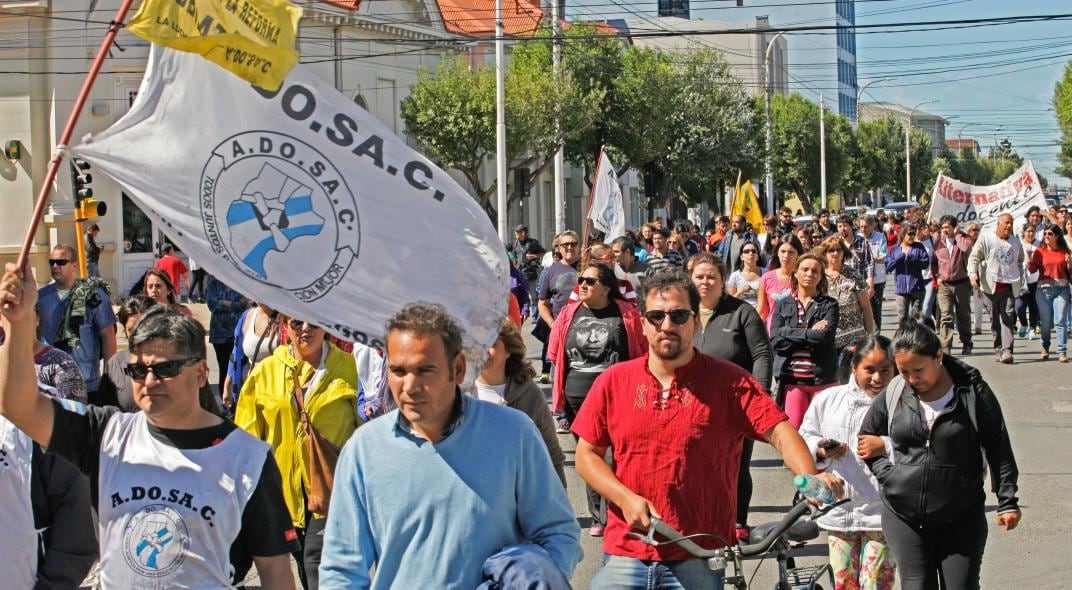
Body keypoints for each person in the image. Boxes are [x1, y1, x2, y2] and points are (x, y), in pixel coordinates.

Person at [0, 270, 300, 589]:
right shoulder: (106, 434)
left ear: (201, 372)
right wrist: (18, 323)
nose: (150, 381)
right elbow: (17, 405)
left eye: (166, 368)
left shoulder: (247, 458)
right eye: (139, 369)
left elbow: (275, 569)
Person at [573, 270, 842, 589]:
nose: (667, 325)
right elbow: (586, 455)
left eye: (679, 315)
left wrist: (810, 478)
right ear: (642, 323)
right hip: (627, 549)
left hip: (698, 554)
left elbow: (779, 432)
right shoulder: (613, 381)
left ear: (695, 322)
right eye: (656, 316)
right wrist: (625, 498)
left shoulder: (729, 380)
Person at [319, 303, 582, 588]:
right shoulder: (363, 450)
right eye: (398, 371)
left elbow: (558, 533)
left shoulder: (514, 433)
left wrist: (535, 580)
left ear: (457, 368)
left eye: (424, 370)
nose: (409, 385)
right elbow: (341, 569)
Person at [859, 321, 1021, 590]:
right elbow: (866, 439)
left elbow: (998, 446)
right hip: (903, 514)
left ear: (939, 356)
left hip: (960, 514)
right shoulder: (897, 391)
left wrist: (1007, 500)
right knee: (917, 585)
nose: (911, 379)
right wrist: (891, 476)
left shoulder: (971, 391)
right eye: (903, 371)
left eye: (919, 370)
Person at [237, 316, 362, 589]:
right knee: (304, 566)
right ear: (285, 326)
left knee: (316, 564)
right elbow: (245, 437)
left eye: (314, 323)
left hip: (332, 491)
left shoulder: (349, 367)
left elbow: (365, 430)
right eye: (297, 323)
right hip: (282, 494)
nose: (306, 329)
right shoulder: (265, 372)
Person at [549, 261, 645, 536]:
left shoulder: (627, 314)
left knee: (620, 455)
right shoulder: (569, 313)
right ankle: (598, 517)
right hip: (578, 396)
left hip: (618, 395)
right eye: (581, 280)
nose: (583, 285)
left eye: (590, 281)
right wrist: (560, 401)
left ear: (605, 287)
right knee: (590, 456)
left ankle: (620, 509)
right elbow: (555, 355)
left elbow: (640, 351)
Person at [800, 334, 897, 590]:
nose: (877, 378)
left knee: (875, 583)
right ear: (854, 367)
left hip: (882, 514)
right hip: (838, 512)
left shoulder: (902, 405)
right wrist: (819, 450)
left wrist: (885, 445)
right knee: (843, 583)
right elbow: (804, 436)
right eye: (870, 370)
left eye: (886, 370)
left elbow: (919, 448)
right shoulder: (828, 400)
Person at [689, 254, 773, 542]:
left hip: (736, 404)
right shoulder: (682, 312)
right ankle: (701, 517)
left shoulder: (741, 312)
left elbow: (762, 353)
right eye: (699, 276)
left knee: (736, 464)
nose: (705, 282)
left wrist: (759, 396)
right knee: (696, 463)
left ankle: (738, 520)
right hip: (692, 402)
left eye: (712, 276)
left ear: (723, 280)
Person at [475, 318, 567, 486]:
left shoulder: (529, 395)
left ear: (508, 351)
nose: (483, 351)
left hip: (517, 495)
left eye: (492, 344)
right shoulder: (456, 393)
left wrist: (560, 501)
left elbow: (551, 453)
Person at [37, 244, 117, 404]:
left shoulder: (93, 295)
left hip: (88, 384)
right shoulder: (41, 297)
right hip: (50, 386)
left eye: (61, 262)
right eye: (52, 262)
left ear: (74, 265)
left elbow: (108, 335)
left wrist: (109, 376)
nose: (55, 266)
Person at [770, 253, 840, 428]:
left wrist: (788, 332)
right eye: (805, 269)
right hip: (793, 380)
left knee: (823, 433)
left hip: (823, 379)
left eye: (815, 271)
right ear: (795, 273)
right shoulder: (783, 304)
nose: (810, 274)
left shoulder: (829, 304)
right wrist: (808, 333)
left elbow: (824, 337)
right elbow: (776, 341)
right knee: (794, 432)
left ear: (821, 276)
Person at [968, 213, 1024, 364]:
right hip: (989, 287)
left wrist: (1021, 278)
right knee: (994, 321)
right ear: (998, 224)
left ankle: (1007, 350)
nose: (1008, 226)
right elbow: (974, 258)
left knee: (1008, 318)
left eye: (1011, 223)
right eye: (1006, 223)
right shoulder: (986, 238)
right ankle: (998, 348)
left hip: (1008, 287)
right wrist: (973, 274)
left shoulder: (1015, 242)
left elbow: (1020, 260)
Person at [818, 236, 875, 365]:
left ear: (844, 252)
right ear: (824, 253)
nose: (835, 253)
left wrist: (870, 336)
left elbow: (866, 306)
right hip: (829, 340)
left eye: (839, 250)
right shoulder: (819, 277)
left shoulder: (853, 275)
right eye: (831, 250)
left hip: (853, 339)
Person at [224, 302, 283, 410]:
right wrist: (227, 384)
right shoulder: (247, 316)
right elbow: (236, 353)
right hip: (250, 391)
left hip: (279, 393)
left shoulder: (287, 318)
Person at [932, 215, 976, 355]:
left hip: (961, 283)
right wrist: (937, 276)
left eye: (948, 227)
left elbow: (966, 248)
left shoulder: (964, 238)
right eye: (943, 227)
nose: (945, 230)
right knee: (946, 315)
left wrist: (957, 234)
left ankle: (967, 342)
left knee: (963, 315)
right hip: (944, 284)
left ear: (954, 227)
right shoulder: (938, 243)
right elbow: (933, 262)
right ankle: (946, 344)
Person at [1027, 225, 1072, 362]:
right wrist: (1030, 259)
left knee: (1060, 321)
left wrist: (1069, 264)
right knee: (1046, 323)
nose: (1046, 236)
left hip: (1062, 289)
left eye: (1050, 234)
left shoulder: (1065, 252)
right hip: (1043, 290)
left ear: (1057, 236)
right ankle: (1045, 346)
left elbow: (1070, 273)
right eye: (1045, 233)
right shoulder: (1040, 251)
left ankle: (1062, 351)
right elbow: (1033, 270)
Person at [33, 303, 88, 402]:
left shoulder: (61, 363)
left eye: (24, 313)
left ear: (37, 319)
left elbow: (76, 414)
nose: (16, 318)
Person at [205, 275, 247, 396]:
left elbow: (244, 304)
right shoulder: (213, 280)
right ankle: (226, 405)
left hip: (239, 332)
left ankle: (238, 403)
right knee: (224, 369)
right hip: (220, 334)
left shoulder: (238, 278)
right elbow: (212, 305)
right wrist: (234, 304)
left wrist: (223, 302)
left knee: (240, 368)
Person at [757, 235, 805, 331]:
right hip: (774, 335)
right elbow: (762, 312)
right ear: (777, 253)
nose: (786, 256)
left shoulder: (804, 278)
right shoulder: (766, 278)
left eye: (791, 252)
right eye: (783, 251)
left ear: (798, 255)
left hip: (799, 333)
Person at [886, 225, 930, 322]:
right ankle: (904, 337)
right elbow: (888, 266)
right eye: (910, 234)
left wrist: (913, 258)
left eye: (914, 234)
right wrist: (899, 258)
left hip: (917, 288)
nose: (912, 236)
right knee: (902, 318)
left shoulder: (919, 247)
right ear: (903, 235)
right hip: (901, 289)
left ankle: (915, 337)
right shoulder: (895, 249)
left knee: (915, 317)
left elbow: (925, 264)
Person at [860, 216, 889, 333]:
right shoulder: (857, 238)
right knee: (862, 309)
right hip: (861, 280)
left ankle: (877, 338)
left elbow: (883, 257)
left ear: (872, 226)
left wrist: (869, 258)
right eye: (861, 226)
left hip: (878, 280)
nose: (863, 229)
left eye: (866, 226)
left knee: (875, 310)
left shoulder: (880, 237)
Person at [838, 215, 874, 299]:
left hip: (859, 285)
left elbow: (869, 264)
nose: (842, 229)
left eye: (845, 225)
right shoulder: (836, 243)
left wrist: (871, 285)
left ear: (851, 226)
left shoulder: (862, 242)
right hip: (841, 287)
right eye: (840, 226)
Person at [1015, 224, 1040, 343]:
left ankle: (1032, 329)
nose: (1031, 234)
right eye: (1028, 231)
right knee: (1019, 306)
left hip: (1035, 280)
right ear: (1023, 232)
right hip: (1021, 281)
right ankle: (1024, 324)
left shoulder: (1039, 244)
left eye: (1033, 231)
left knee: (1033, 306)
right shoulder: (1018, 243)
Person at [726, 242, 763, 307]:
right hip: (741, 312)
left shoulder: (766, 273)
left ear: (757, 256)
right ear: (741, 257)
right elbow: (729, 303)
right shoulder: (734, 276)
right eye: (746, 251)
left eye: (754, 251)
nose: (751, 253)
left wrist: (760, 292)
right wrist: (739, 292)